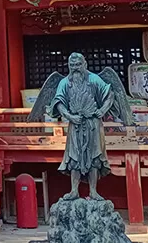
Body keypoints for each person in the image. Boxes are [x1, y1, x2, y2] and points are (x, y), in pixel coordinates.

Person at [48, 52, 114, 199]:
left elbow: (110, 94)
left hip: (93, 123)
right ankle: (74, 190)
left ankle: (93, 191)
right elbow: (58, 102)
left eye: (78, 65)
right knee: (74, 157)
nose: (75, 68)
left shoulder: (94, 79)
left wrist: (102, 110)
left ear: (85, 64)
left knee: (95, 156)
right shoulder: (64, 83)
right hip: (75, 123)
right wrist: (70, 116)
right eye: (72, 65)